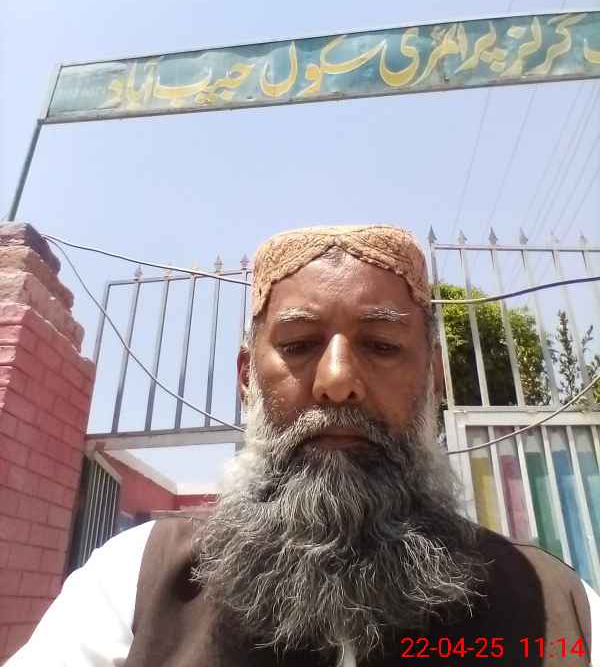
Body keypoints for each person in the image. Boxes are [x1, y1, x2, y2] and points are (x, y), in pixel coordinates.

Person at [6, 224, 600, 667]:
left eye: (382, 345)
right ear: (247, 378)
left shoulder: (562, 610)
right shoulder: (133, 583)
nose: (337, 380)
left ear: (434, 380)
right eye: (298, 345)